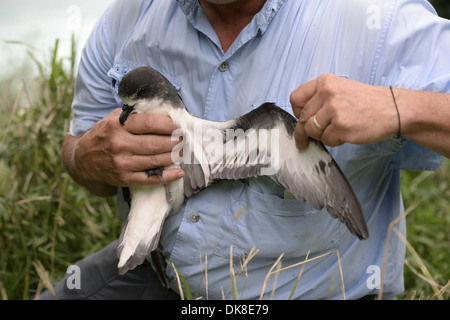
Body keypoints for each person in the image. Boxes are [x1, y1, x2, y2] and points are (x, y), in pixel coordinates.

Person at [38, 0, 450, 300]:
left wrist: (400, 106)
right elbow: (80, 159)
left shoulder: (378, 21)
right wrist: (84, 159)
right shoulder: (126, 18)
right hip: (153, 273)